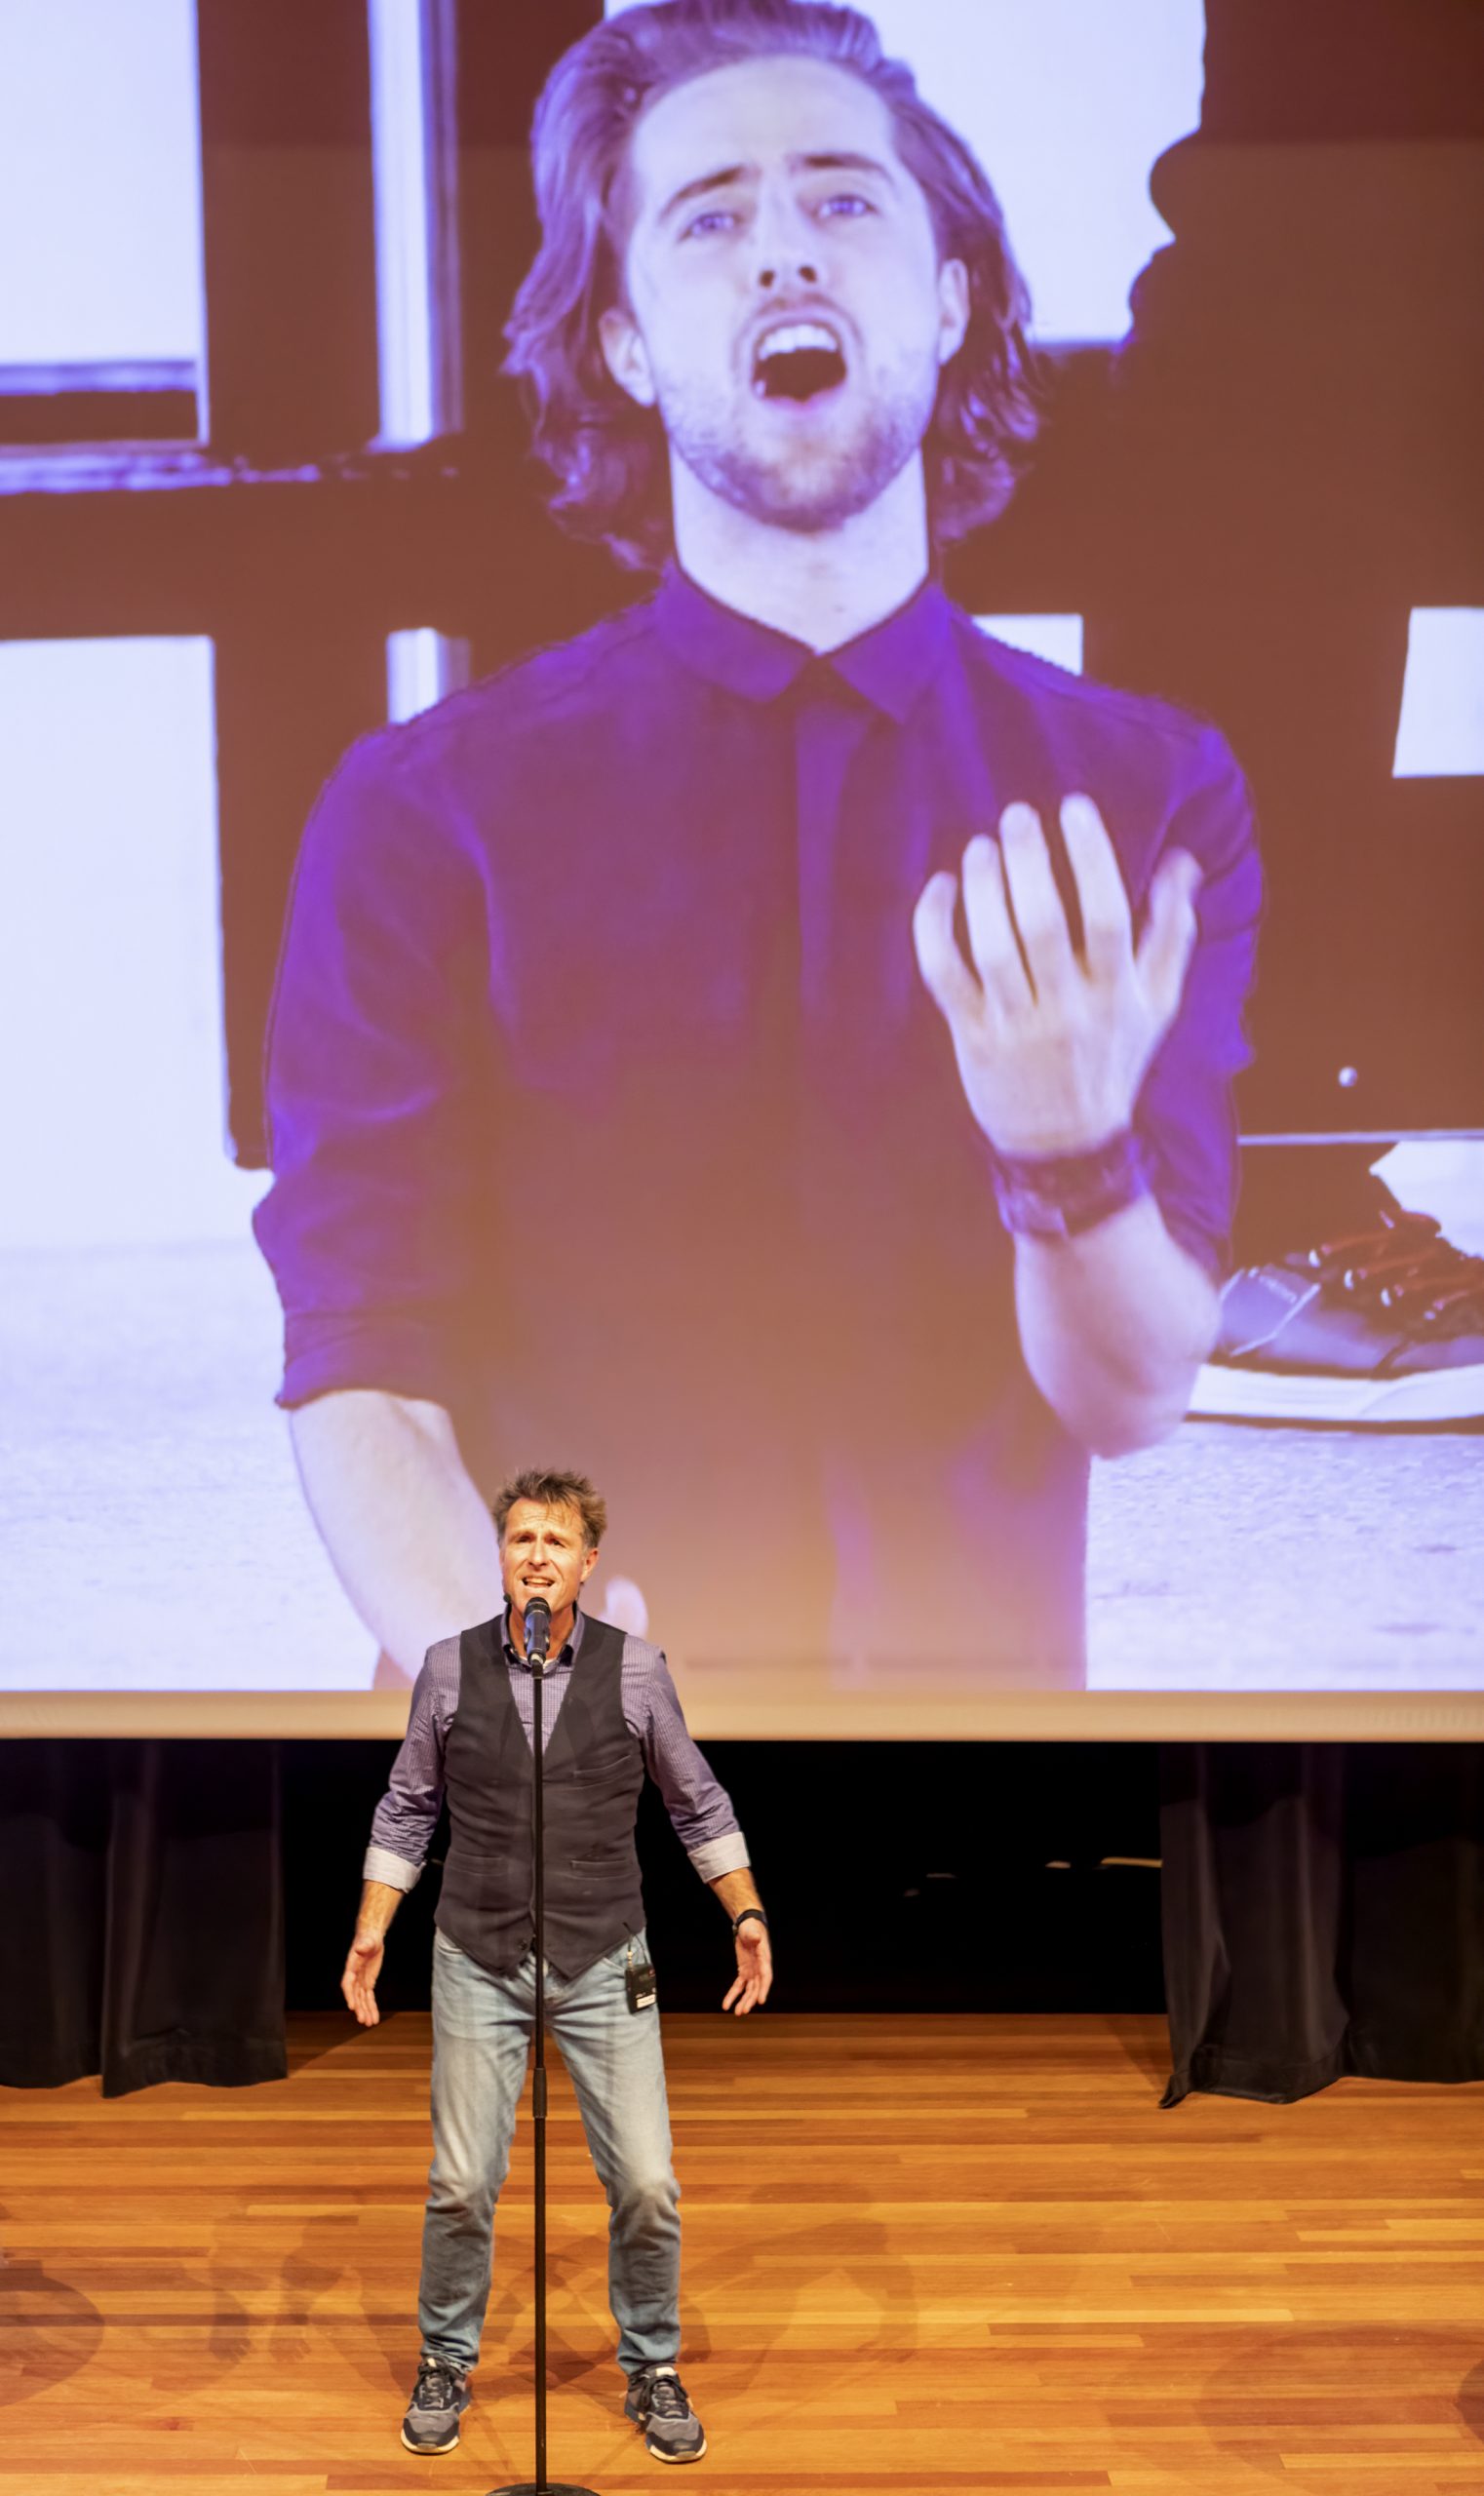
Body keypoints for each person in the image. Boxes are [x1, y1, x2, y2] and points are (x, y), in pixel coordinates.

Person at [254, 0, 1262, 1690]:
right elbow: (364, 1370)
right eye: (708, 217)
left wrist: (1067, 1150)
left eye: (842, 199)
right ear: (626, 343)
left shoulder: (1145, 792)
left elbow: (1133, 1392)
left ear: (948, 300)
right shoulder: (421, 812)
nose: (784, 251)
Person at [344, 1465, 770, 2463]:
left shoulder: (637, 1671)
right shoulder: (447, 1669)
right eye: (521, 1539)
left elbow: (697, 1803)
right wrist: (373, 1927)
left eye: (556, 1541)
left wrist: (744, 1909)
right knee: (462, 2181)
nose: (537, 1556)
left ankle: (652, 2366)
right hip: (477, 1953)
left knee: (647, 2183)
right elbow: (407, 1808)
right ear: (501, 1558)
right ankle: (445, 2358)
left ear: (588, 1564)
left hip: (603, 1955)